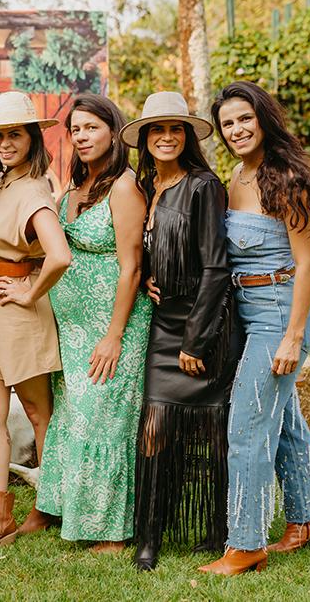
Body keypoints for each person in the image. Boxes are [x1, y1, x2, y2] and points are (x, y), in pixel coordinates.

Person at [199, 81, 310, 575]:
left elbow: (307, 263)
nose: (236, 129)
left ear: (263, 119)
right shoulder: (235, 177)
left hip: (279, 312)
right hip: (247, 309)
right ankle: (308, 519)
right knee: (287, 423)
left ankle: (246, 543)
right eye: (228, 123)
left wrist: (294, 336)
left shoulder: (287, 176)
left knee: (247, 428)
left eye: (244, 118)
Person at [125, 91, 237, 571]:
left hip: (204, 323)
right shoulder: (148, 187)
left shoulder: (204, 185)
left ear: (187, 137)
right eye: (157, 129)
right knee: (154, 428)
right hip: (162, 322)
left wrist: (197, 338)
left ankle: (218, 530)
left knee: (213, 434)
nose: (166, 137)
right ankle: (150, 537)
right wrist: (153, 273)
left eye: (176, 129)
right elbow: (149, 245)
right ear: (145, 139)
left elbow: (216, 266)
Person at [35, 94, 152, 553]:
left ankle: (113, 531)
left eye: (91, 128)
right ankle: (69, 510)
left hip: (113, 326)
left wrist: (114, 336)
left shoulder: (123, 186)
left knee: (106, 421)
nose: (82, 137)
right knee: (76, 419)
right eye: (75, 130)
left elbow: (132, 268)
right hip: (74, 327)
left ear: (113, 131)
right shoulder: (75, 186)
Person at [0, 91, 69, 551]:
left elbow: (59, 255)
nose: (5, 142)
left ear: (32, 138)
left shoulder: (32, 191)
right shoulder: (2, 182)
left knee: (39, 413)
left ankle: (49, 505)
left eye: (15, 134)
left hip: (18, 308)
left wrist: (29, 291)